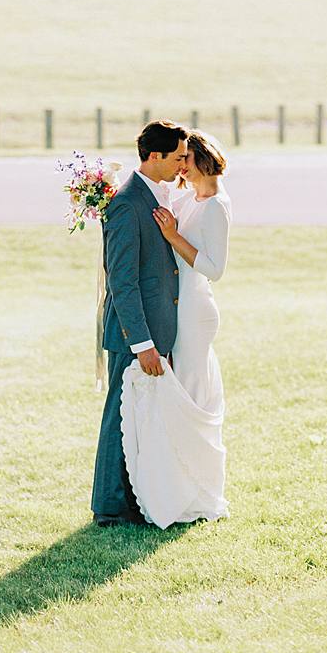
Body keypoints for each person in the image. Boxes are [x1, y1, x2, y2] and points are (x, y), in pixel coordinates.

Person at [120, 130, 232, 529]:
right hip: (175, 306)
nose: (179, 165)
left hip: (196, 311)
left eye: (185, 159)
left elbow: (215, 269)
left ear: (201, 160)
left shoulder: (216, 206)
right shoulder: (188, 196)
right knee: (178, 392)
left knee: (193, 392)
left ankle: (198, 490)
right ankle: (176, 482)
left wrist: (173, 237)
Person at [91, 120, 188, 527]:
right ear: (155, 156)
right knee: (119, 415)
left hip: (154, 329)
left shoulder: (154, 196)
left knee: (140, 419)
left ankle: (134, 499)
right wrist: (142, 343)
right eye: (179, 156)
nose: (184, 163)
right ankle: (109, 508)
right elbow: (123, 281)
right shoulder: (127, 204)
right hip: (134, 333)